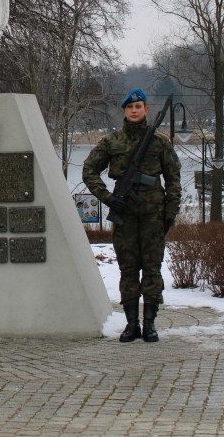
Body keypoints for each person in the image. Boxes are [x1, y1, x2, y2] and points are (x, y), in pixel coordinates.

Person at [82, 88, 181, 343]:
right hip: (125, 216)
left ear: (146, 110)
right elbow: (89, 170)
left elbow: (173, 180)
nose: (134, 111)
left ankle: (149, 324)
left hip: (152, 216)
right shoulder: (113, 142)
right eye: (130, 107)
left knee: (151, 270)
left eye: (139, 107)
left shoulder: (159, 142)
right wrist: (107, 197)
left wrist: (169, 215)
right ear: (124, 111)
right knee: (127, 271)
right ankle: (131, 324)